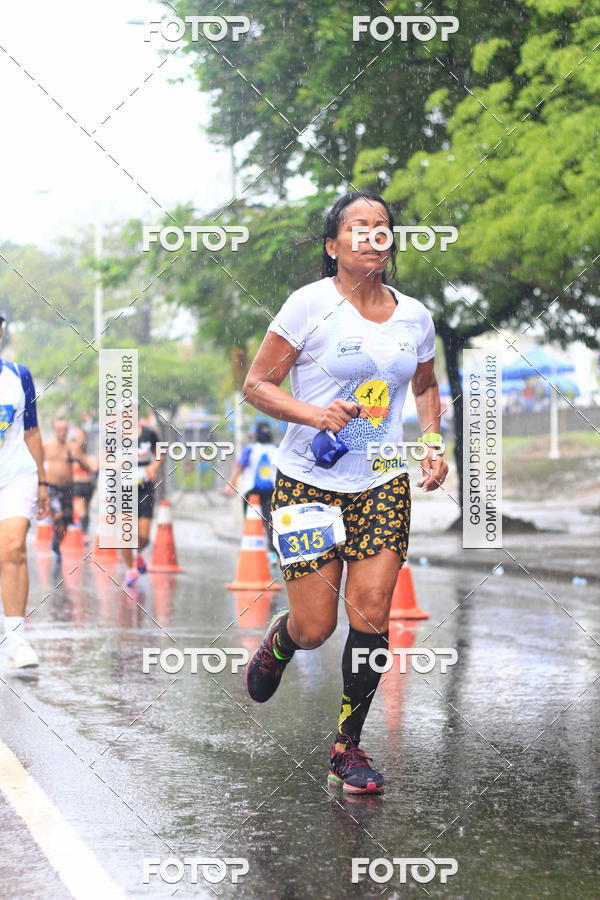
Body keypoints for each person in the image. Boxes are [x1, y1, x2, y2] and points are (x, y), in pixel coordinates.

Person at [243, 191, 448, 793]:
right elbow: (257, 385)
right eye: (358, 227)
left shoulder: (415, 316)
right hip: (307, 482)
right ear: (333, 246)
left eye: (381, 227)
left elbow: (427, 384)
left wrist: (431, 441)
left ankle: (347, 746)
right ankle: (282, 641)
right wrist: (313, 413)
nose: (372, 235)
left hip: (381, 480)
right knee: (316, 627)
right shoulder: (308, 306)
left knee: (373, 610)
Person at [0, 312, 50, 667]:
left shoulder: (18, 376)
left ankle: (16, 639)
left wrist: (43, 480)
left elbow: (31, 431)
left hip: (16, 475)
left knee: (13, 548)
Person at [225, 421, 278, 559]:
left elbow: (239, 466)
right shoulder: (276, 449)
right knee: (270, 522)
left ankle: (252, 551)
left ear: (255, 434)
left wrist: (231, 484)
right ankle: (272, 553)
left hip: (252, 493)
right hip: (271, 491)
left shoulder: (250, 448)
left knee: (251, 521)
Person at [121, 414, 162, 586]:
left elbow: (160, 453)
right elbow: (105, 458)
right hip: (123, 489)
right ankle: (130, 570)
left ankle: (138, 555)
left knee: (143, 536)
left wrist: (153, 467)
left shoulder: (148, 434)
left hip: (145, 488)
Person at [44, 417, 81, 560]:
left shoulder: (72, 447)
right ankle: (56, 537)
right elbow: (38, 463)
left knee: (66, 519)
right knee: (58, 515)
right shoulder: (47, 446)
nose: (61, 432)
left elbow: (83, 461)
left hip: (68, 487)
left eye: (64, 429)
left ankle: (56, 541)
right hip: (52, 487)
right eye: (58, 429)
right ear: (54, 430)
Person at [69, 426, 98, 546]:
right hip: (77, 486)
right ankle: (84, 532)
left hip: (88, 486)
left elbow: (95, 468)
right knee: (81, 511)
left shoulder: (89, 458)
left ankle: (84, 531)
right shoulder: (71, 458)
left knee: (86, 510)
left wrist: (82, 461)